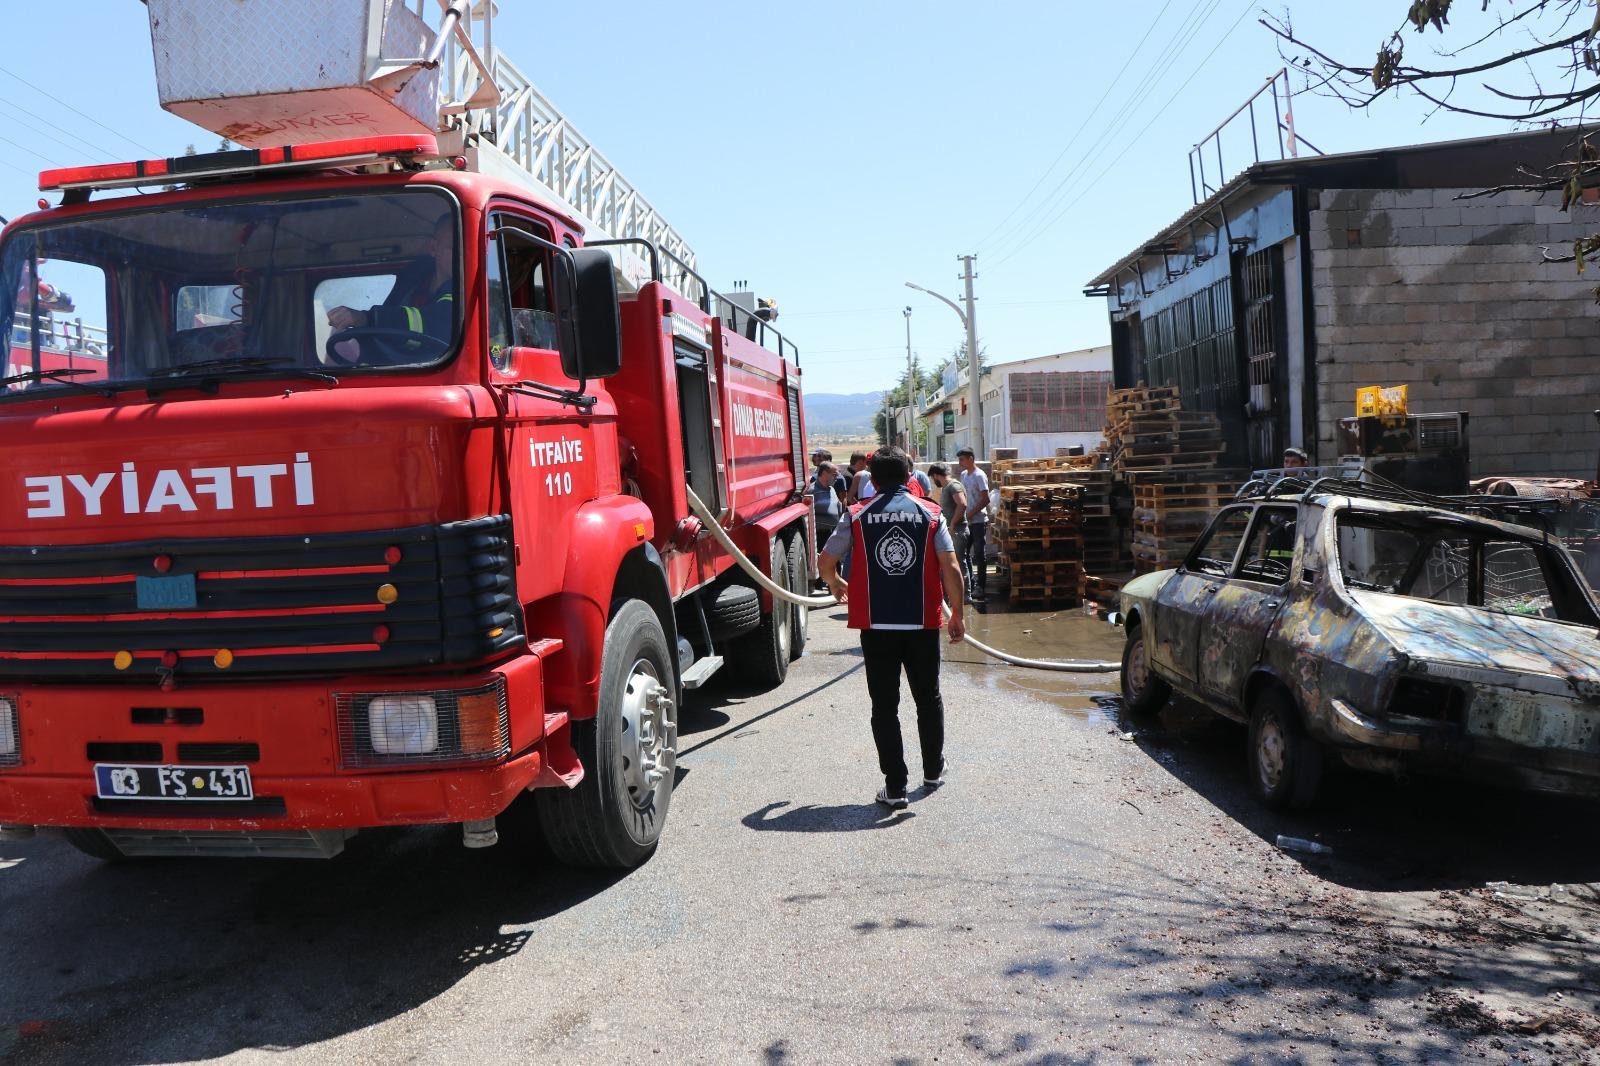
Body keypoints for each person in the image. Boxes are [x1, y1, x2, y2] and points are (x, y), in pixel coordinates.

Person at [819, 446, 965, 810]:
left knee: (885, 707)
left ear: (873, 479)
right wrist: (958, 614)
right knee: (928, 699)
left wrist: (835, 582)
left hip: (877, 625)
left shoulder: (856, 514)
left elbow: (825, 560)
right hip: (922, 624)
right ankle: (933, 770)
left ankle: (896, 787)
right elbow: (951, 567)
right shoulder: (931, 513)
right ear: (908, 477)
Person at [327, 215, 454, 364]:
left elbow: (437, 323)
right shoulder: (412, 280)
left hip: (440, 377)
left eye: (469, 247)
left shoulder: (468, 289)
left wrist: (366, 318)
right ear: (433, 248)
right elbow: (387, 328)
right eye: (454, 248)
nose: (464, 254)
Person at [956, 447, 991, 604]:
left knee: (979, 554)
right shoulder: (964, 475)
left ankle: (981, 586)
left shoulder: (979, 475)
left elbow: (985, 499)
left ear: (971, 458)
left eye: (962, 459)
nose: (960, 463)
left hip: (977, 521)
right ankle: (970, 584)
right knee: (964, 554)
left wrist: (970, 514)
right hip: (966, 522)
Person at [929, 463, 968, 588]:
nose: (934, 481)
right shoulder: (947, 487)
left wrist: (952, 524)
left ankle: (965, 597)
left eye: (932, 478)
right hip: (953, 530)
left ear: (935, 475)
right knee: (958, 563)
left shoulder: (953, 485)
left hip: (957, 531)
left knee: (958, 565)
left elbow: (962, 504)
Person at [809, 461, 844, 553]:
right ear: (824, 473)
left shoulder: (832, 489)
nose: (837, 478)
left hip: (833, 534)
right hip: (820, 537)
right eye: (834, 474)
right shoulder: (811, 491)